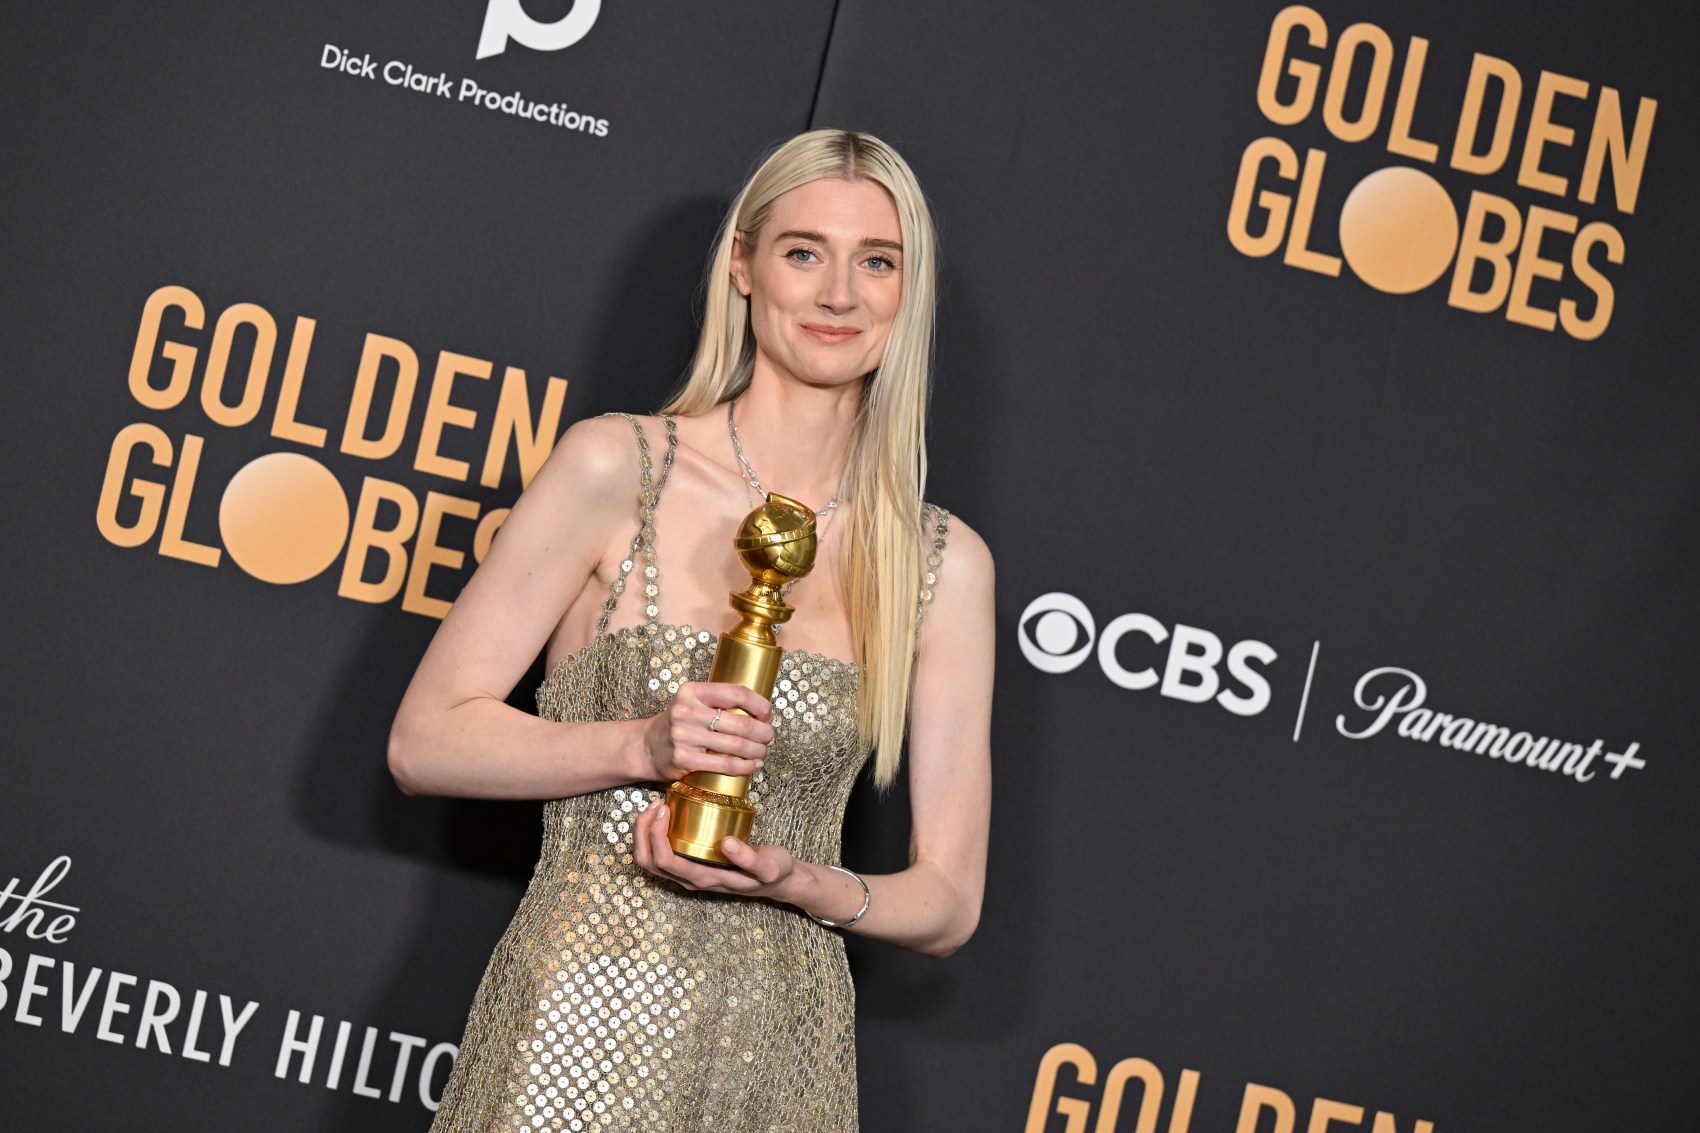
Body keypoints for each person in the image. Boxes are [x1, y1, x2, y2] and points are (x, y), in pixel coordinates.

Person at [389, 128, 994, 1132]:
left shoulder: (940, 562)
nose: (838, 292)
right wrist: (642, 744)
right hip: (580, 1020)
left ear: (907, 287)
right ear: (743, 266)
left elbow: (946, 899)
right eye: (803, 251)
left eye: (875, 260)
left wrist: (806, 879)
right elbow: (425, 739)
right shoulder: (613, 467)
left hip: (783, 1048)